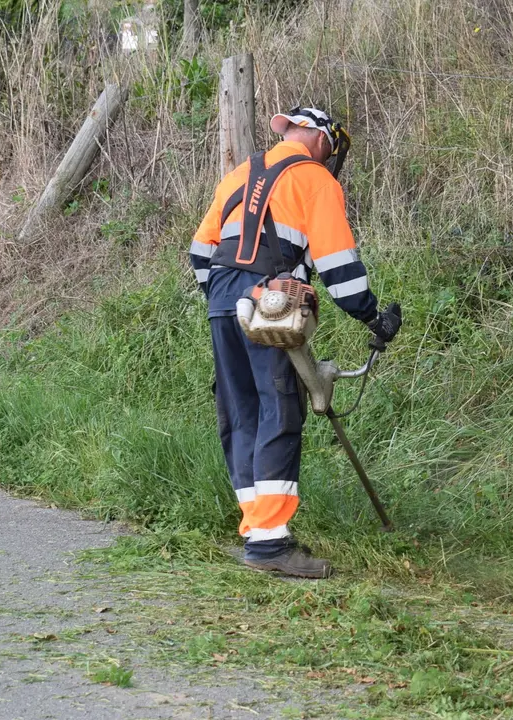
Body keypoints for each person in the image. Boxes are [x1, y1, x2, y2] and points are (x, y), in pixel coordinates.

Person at [188, 106, 401, 578]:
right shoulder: (315, 180)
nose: (331, 157)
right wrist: (371, 315)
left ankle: (256, 531)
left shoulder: (239, 174)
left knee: (240, 412)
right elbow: (337, 263)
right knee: (279, 411)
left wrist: (227, 296)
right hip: (272, 304)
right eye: (332, 147)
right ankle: (270, 547)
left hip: (223, 300)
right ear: (321, 137)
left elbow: (200, 252)